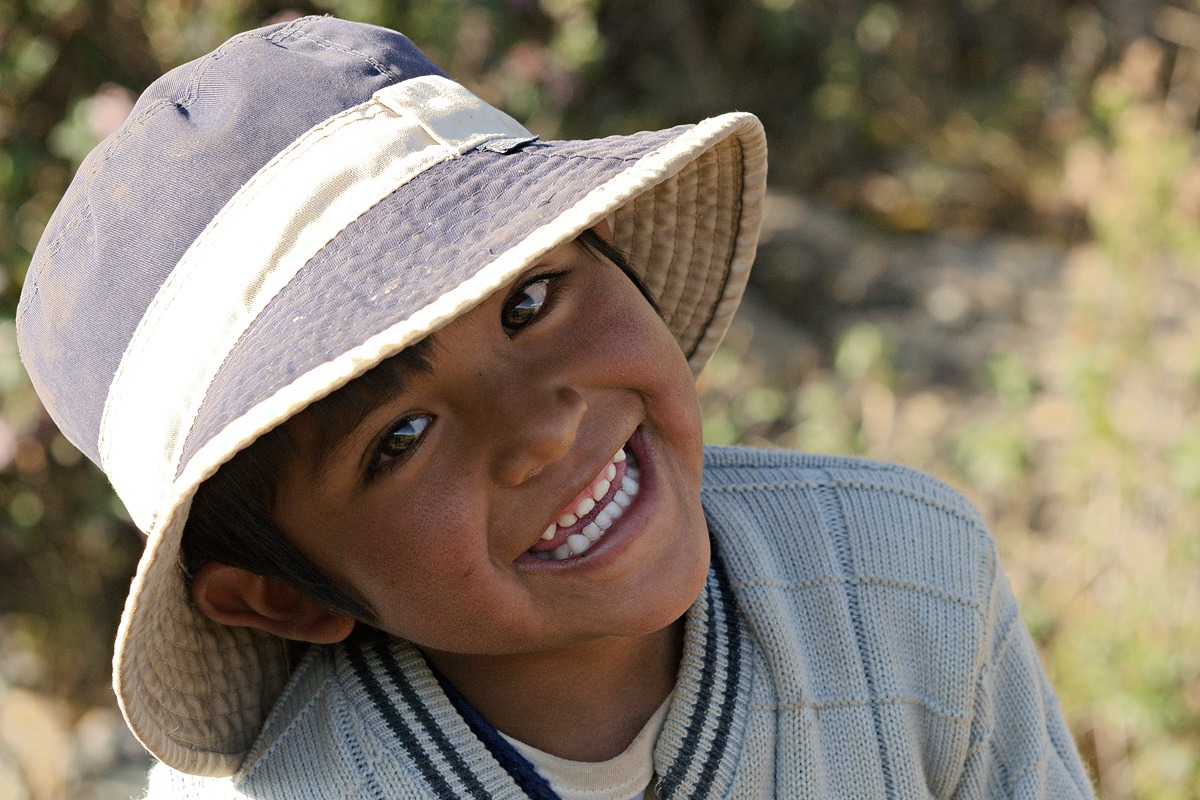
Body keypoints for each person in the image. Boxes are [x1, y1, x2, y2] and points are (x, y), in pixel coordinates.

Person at [16, 15, 1095, 799]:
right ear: (277, 596)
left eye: (528, 300)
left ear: (612, 250)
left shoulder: (900, 585)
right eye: (399, 439)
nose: (537, 428)